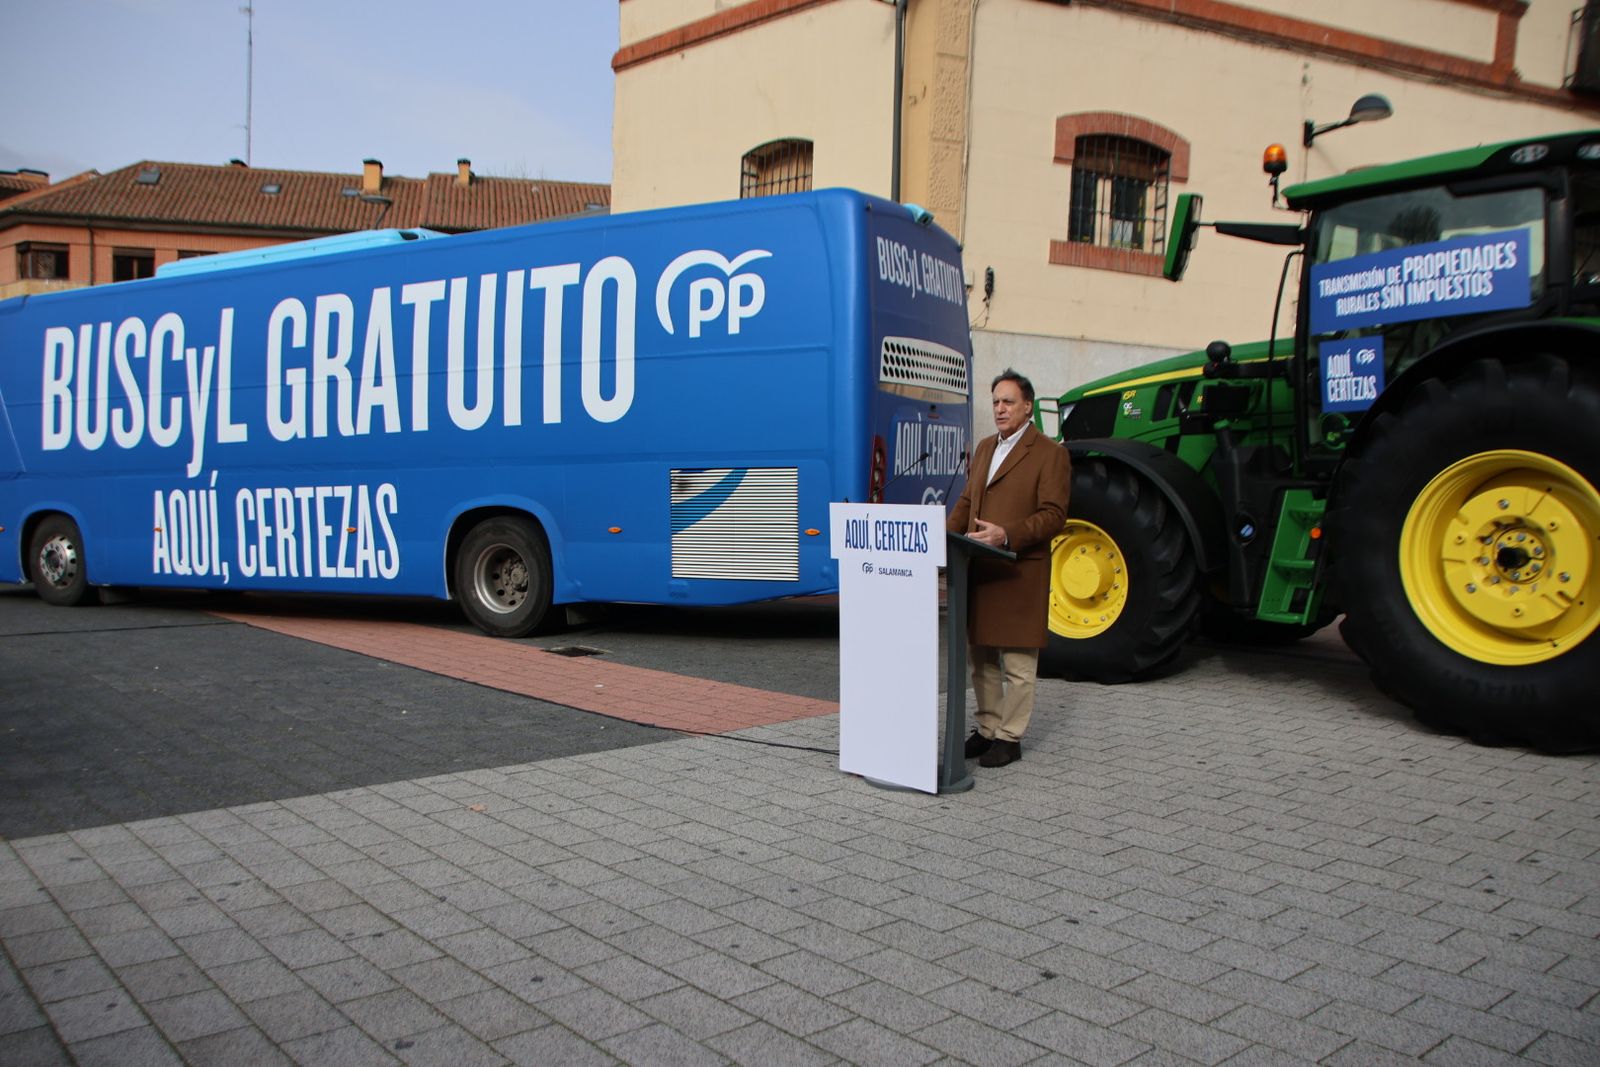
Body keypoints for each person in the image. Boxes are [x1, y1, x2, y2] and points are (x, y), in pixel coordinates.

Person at [946, 369, 1072, 768]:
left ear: (1027, 407)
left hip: (1018, 570)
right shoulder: (985, 447)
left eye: (1008, 402)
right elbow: (968, 502)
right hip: (980, 571)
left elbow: (1054, 515)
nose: (1000, 409)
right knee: (980, 657)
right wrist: (940, 539)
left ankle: (1010, 736)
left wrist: (1007, 535)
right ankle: (987, 728)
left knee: (1017, 663)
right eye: (996, 401)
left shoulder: (1051, 453)